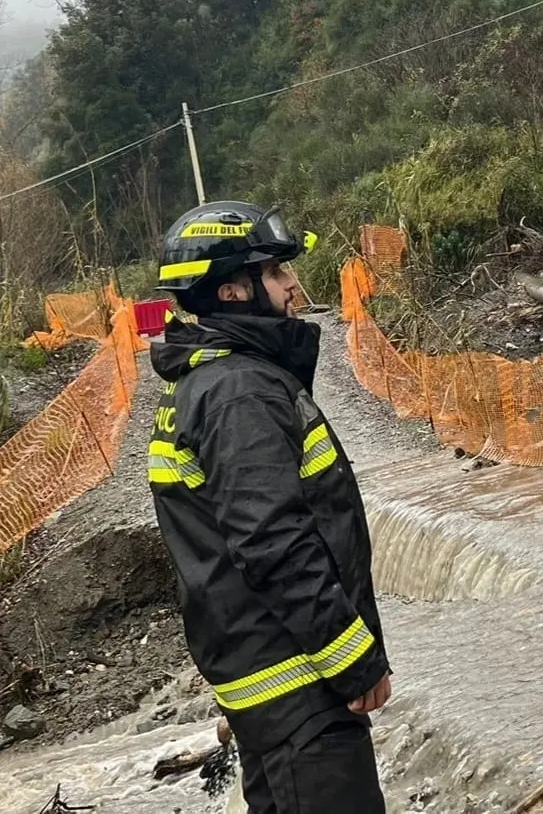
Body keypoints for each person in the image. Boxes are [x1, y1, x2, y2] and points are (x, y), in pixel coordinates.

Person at [147, 199, 392, 814]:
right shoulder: (240, 393)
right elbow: (272, 542)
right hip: (299, 691)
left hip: (269, 689)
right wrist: (355, 660)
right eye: (277, 273)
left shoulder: (206, 384)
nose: (294, 285)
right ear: (233, 292)